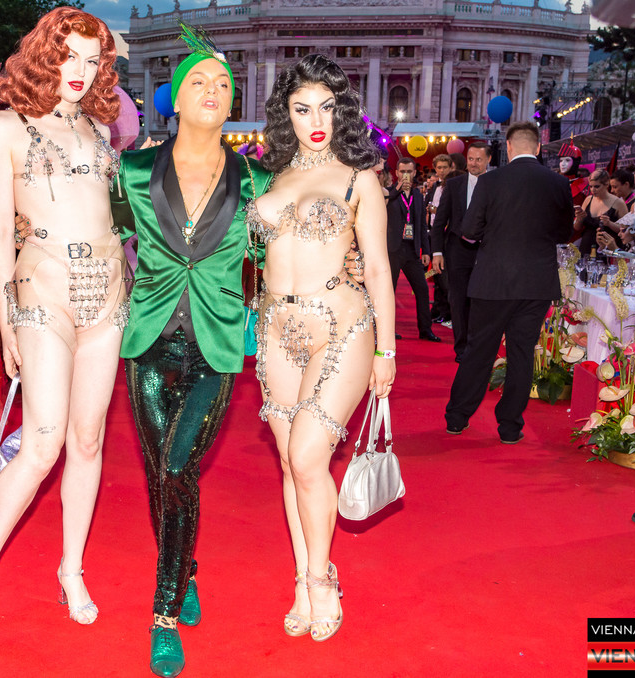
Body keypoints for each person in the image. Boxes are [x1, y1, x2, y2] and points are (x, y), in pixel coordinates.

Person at [0, 7, 124, 643]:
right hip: (43, 288)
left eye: (92, 61)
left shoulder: (100, 129)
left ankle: (71, 570)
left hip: (108, 292)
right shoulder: (6, 128)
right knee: (43, 442)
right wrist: (7, 319)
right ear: (45, 54)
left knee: (88, 441)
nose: (80, 71)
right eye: (68, 55)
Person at [109, 24, 277, 676]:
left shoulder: (256, 180)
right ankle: (187, 567)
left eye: (223, 84)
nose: (212, 90)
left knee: (178, 468)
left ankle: (163, 613)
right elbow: (110, 238)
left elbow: (268, 260)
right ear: (174, 98)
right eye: (198, 81)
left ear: (233, 103)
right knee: (162, 475)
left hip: (216, 345)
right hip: (148, 343)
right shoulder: (132, 171)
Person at [251, 53, 394, 643]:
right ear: (285, 114)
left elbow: (378, 268)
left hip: (341, 326)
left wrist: (387, 351)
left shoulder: (359, 178)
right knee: (291, 463)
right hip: (274, 331)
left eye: (327, 108)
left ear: (343, 112)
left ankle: (321, 578)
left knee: (309, 457)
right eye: (302, 108)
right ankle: (302, 577)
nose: (316, 121)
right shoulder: (268, 177)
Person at [444, 122, 572, 444]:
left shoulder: (490, 181)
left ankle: (457, 418)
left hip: (493, 281)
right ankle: (510, 427)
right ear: (538, 148)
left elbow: (469, 230)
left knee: (479, 350)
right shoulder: (558, 183)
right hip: (536, 283)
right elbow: (564, 233)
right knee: (522, 353)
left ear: (509, 147)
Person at [430, 141, 491, 362]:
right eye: (471, 159)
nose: (473, 163)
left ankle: (480, 346)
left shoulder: (496, 184)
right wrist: (437, 252)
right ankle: (462, 349)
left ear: (488, 160)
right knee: (458, 300)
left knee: (482, 300)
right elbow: (440, 221)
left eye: (479, 160)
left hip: (486, 251)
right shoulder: (454, 184)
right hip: (457, 250)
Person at [386, 156, 438, 341]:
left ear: (415, 172)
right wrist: (397, 190)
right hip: (392, 249)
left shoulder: (417, 195)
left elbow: (421, 225)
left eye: (409, 171)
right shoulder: (389, 193)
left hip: (411, 250)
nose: (406, 175)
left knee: (422, 289)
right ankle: (387, 330)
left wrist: (426, 251)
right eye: (402, 172)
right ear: (397, 173)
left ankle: (425, 329)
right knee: (388, 291)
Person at [572, 169, 628, 255]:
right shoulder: (588, 200)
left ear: (606, 184)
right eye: (590, 186)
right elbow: (577, 227)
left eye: (597, 186)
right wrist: (579, 218)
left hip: (608, 249)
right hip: (586, 247)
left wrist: (609, 224)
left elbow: (626, 231)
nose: (593, 190)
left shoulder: (618, 203)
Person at [425, 153, 452, 326]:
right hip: (432, 232)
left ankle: (446, 312)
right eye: (439, 167)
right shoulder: (435, 186)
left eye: (445, 167)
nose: (442, 170)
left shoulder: (453, 186)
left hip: (446, 234)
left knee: (444, 276)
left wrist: (438, 211)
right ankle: (438, 309)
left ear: (451, 168)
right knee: (435, 274)